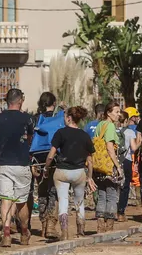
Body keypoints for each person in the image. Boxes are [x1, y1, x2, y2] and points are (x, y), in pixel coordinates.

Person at [0, 88, 33, 247]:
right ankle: (24, 233)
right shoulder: (26, 118)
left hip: (3, 164)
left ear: (7, 101)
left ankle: (6, 234)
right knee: (21, 202)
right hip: (21, 164)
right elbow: (29, 139)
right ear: (20, 101)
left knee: (6, 200)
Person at [43, 106, 95, 240]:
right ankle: (80, 231)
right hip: (79, 172)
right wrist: (89, 177)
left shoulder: (60, 133)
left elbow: (50, 156)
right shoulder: (85, 135)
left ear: (69, 118)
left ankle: (64, 233)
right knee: (79, 202)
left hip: (62, 172)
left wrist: (46, 169)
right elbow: (90, 160)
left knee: (63, 202)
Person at [30, 92, 65, 238]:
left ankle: (43, 225)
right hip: (55, 157)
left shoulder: (36, 118)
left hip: (38, 158)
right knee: (54, 191)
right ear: (54, 103)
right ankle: (51, 224)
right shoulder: (60, 117)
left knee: (42, 190)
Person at [90, 102, 124, 233]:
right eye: (116, 112)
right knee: (111, 195)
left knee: (102, 194)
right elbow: (110, 148)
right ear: (108, 113)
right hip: (109, 166)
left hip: (99, 166)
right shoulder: (110, 126)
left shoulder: (99, 125)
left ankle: (100, 225)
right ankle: (109, 227)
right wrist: (118, 167)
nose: (118, 114)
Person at [120, 107, 141, 218]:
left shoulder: (114, 129)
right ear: (131, 117)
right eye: (136, 116)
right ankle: (138, 202)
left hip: (117, 159)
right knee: (132, 181)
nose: (137, 118)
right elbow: (134, 147)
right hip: (129, 158)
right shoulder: (133, 130)